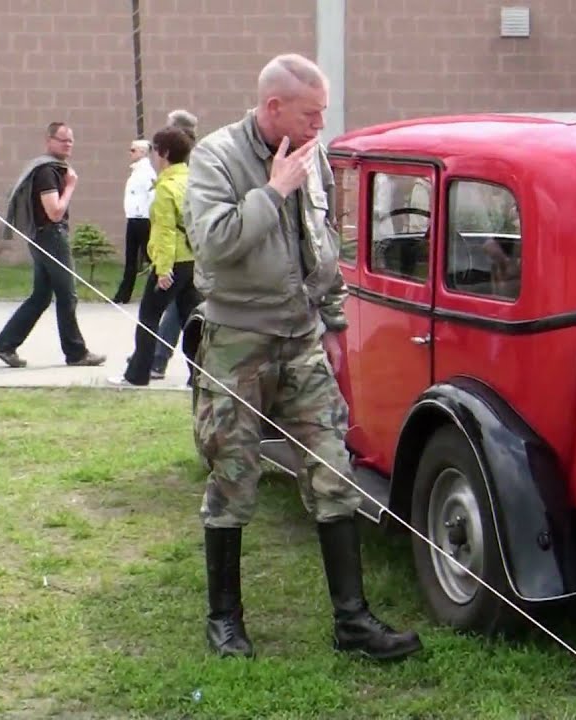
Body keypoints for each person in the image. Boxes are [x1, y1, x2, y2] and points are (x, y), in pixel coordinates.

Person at [183, 53, 422, 662]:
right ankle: (225, 622)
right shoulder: (215, 157)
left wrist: (335, 323)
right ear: (274, 109)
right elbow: (213, 244)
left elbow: (324, 246)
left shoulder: (312, 156)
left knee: (334, 471)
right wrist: (272, 191)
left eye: (323, 113)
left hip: (304, 338)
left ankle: (353, 622)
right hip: (238, 340)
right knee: (233, 478)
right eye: (312, 113)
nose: (321, 124)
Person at [0, 122, 105, 368]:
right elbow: (54, 212)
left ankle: (4, 344)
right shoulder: (46, 172)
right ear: (49, 140)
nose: (68, 144)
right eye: (63, 140)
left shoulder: (53, 168)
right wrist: (71, 186)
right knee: (67, 295)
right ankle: (76, 353)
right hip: (51, 236)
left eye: (71, 140)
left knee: (41, 297)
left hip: (42, 236)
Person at [110, 125, 200, 386]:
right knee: (190, 320)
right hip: (192, 262)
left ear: (165, 153)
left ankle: (138, 374)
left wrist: (162, 269)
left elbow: (164, 233)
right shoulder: (192, 182)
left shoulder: (165, 189)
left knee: (149, 317)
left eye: (157, 150)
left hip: (171, 265)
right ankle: (200, 374)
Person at [112, 139, 156, 303]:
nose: (130, 153)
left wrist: (143, 213)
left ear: (143, 152)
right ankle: (123, 295)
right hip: (133, 219)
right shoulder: (137, 172)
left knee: (150, 257)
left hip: (143, 220)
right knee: (131, 259)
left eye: (133, 150)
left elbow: (152, 196)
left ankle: (160, 292)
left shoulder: (147, 173)